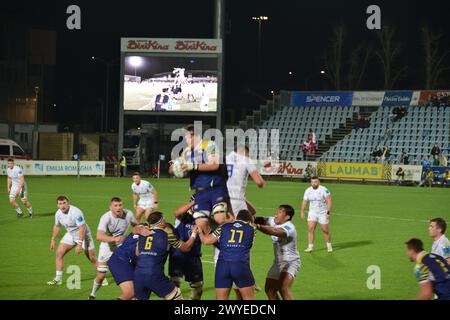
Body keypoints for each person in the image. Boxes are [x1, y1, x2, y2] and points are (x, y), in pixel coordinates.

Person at [169, 124, 230, 233]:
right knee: (201, 226)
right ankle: (219, 243)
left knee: (219, 218)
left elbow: (215, 165)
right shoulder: (186, 152)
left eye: (187, 137)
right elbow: (171, 170)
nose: (186, 140)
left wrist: (193, 166)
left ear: (195, 136)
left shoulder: (210, 145)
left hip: (215, 188)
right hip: (200, 192)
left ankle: (234, 236)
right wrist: (175, 166)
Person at [89, 197, 145, 300]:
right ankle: (92, 295)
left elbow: (135, 226)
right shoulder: (105, 217)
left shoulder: (128, 214)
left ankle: (130, 294)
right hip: (107, 248)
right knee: (101, 276)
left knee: (129, 277)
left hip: (122, 248)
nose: (118, 208)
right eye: (115, 205)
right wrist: (114, 239)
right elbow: (99, 236)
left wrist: (139, 232)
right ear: (110, 207)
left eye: (120, 205)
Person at [134, 211, 198, 300]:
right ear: (161, 222)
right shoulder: (168, 236)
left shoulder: (142, 234)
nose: (165, 221)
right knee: (177, 297)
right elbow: (186, 247)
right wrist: (194, 233)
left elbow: (137, 253)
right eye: (164, 219)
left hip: (138, 274)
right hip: (154, 274)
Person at [199, 210, 256, 300]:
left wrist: (199, 232)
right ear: (249, 220)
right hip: (240, 265)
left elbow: (206, 241)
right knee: (248, 298)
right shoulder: (252, 228)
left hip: (222, 266)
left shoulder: (223, 227)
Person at [47, 196, 97, 285]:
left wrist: (79, 244)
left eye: (64, 203)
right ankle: (58, 278)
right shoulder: (58, 214)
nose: (62, 206)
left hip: (84, 235)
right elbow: (57, 226)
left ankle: (101, 277)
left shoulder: (76, 212)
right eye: (60, 204)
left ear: (68, 203)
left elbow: (82, 227)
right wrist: (53, 239)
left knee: (91, 257)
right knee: (59, 253)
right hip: (70, 234)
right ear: (57, 205)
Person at [255, 205, 300, 300]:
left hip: (290, 261)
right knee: (269, 290)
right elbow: (261, 219)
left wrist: (258, 226)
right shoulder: (274, 220)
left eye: (280, 212)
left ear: (287, 217)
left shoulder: (289, 227)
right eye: (277, 211)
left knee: (283, 288)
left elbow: (275, 231)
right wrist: (249, 219)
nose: (276, 214)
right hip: (278, 262)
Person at [169, 199, 204, 300]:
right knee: (174, 286)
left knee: (198, 287)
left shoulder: (202, 219)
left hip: (194, 256)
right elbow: (176, 212)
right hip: (178, 255)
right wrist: (195, 201)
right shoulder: (183, 216)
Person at [226, 145, 265, 214]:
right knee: (243, 222)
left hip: (222, 197)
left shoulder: (225, 158)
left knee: (252, 211)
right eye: (247, 154)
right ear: (244, 152)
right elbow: (259, 183)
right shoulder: (246, 160)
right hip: (237, 200)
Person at [301, 176, 333, 253]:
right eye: (312, 182)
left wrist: (328, 212)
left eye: (315, 182)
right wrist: (302, 211)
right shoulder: (308, 190)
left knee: (325, 230)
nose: (313, 183)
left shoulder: (324, 190)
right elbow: (305, 201)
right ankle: (310, 247)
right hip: (312, 213)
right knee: (311, 229)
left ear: (318, 182)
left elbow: (329, 200)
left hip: (322, 213)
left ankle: (329, 245)